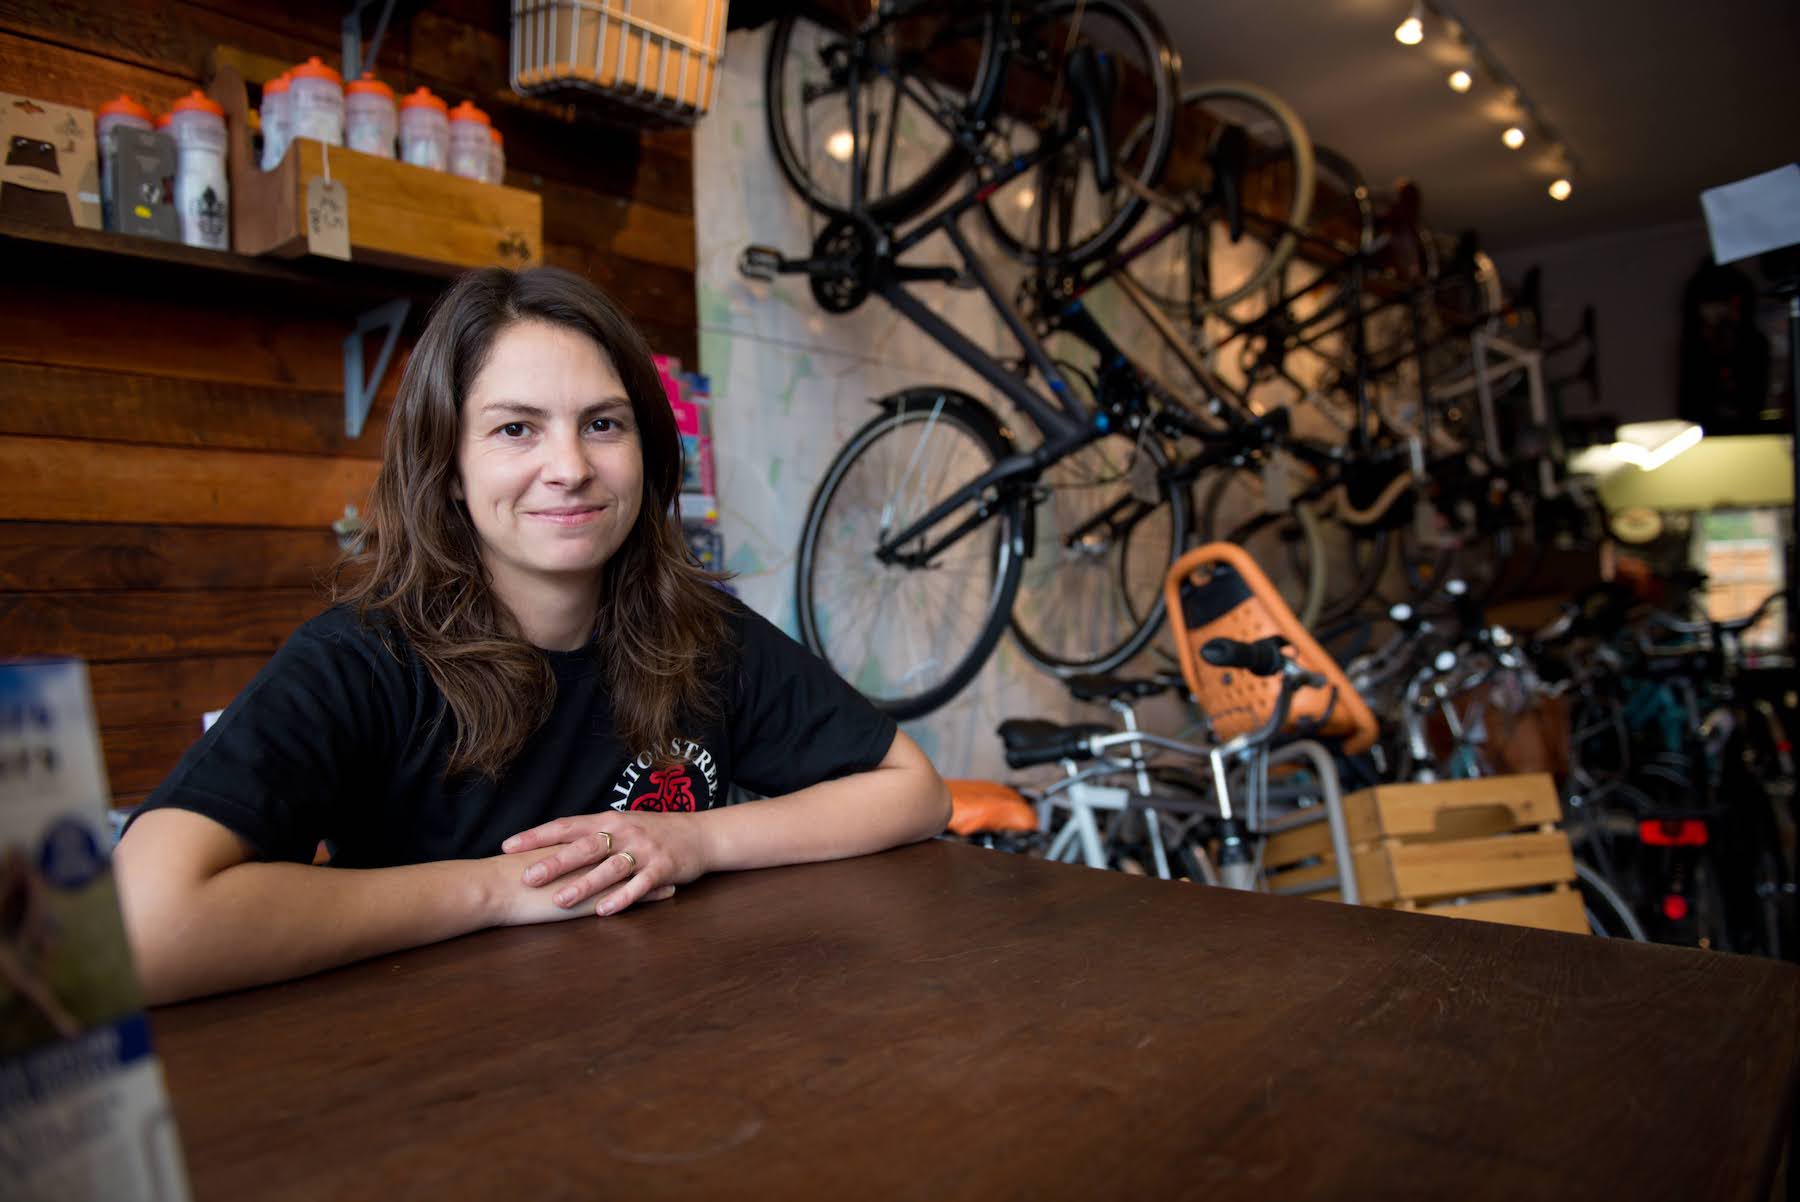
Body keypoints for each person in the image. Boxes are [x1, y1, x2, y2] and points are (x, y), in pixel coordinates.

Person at [114, 266, 950, 1005]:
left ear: (647, 452)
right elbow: (142, 929)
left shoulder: (701, 631)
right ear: (449, 467)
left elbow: (912, 789)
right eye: (516, 428)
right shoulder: (363, 658)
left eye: (603, 424)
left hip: (682, 1057)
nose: (571, 467)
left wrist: (695, 839)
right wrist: (502, 890)